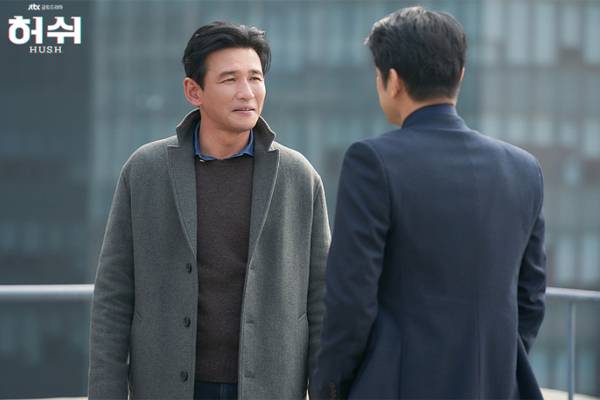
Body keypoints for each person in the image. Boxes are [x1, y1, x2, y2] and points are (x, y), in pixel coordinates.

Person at [312, 7, 546, 400]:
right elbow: (531, 297)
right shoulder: (523, 168)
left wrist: (330, 387)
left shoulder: (372, 162)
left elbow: (351, 300)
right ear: (460, 75)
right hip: (495, 385)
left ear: (393, 81)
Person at [88, 21, 330, 400]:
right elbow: (113, 296)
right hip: (167, 387)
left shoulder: (298, 176)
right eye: (230, 79)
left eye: (255, 78)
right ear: (193, 91)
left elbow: (322, 301)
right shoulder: (146, 170)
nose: (247, 92)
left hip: (270, 387)